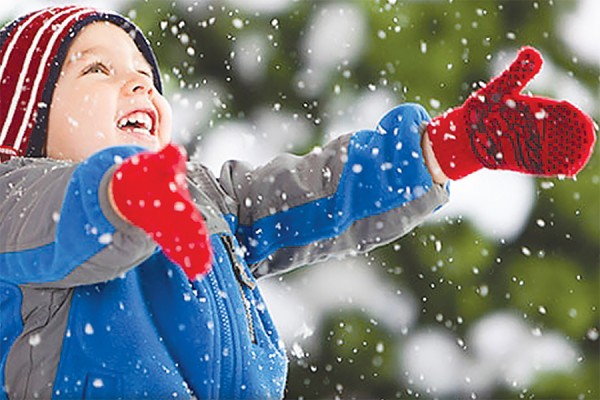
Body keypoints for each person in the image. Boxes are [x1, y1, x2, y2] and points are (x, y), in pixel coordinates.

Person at [0, 5, 595, 400]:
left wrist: (447, 146)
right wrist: (124, 195)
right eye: (96, 69)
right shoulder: (16, 199)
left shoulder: (203, 198)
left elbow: (315, 192)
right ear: (27, 118)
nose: (137, 85)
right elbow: (75, 212)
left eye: (145, 76)